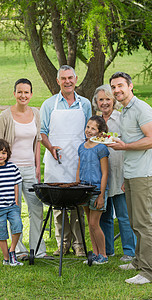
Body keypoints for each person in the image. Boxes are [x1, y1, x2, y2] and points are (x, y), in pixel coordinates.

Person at [0, 78, 49, 260]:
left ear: (31, 94)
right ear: (14, 94)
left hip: (29, 169)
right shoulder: (5, 115)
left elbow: (37, 142)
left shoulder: (35, 113)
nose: (23, 95)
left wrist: (37, 167)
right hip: (9, 171)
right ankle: (18, 250)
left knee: (36, 209)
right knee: (15, 210)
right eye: (19, 92)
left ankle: (38, 250)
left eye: (26, 92)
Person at [108, 72, 152, 285]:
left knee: (143, 223)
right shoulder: (125, 110)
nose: (116, 90)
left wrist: (125, 146)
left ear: (131, 86)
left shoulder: (141, 108)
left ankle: (148, 273)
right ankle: (138, 261)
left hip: (143, 174)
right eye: (113, 87)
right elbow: (132, 138)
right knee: (134, 221)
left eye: (120, 85)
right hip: (131, 173)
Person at [40, 65, 92, 256]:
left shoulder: (85, 104)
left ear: (75, 79)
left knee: (78, 202)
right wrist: (50, 147)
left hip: (78, 160)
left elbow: (90, 132)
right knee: (58, 203)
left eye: (70, 78)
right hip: (56, 159)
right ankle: (63, 243)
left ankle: (79, 244)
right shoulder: (48, 104)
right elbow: (42, 132)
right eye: (64, 78)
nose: (67, 81)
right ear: (58, 81)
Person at [92, 84, 136, 261]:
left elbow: (128, 145)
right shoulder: (94, 122)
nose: (104, 103)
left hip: (119, 173)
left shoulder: (121, 118)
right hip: (101, 176)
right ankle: (107, 250)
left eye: (108, 99)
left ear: (113, 101)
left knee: (124, 216)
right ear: (96, 102)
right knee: (105, 216)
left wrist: (128, 176)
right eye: (101, 99)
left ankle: (129, 251)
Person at [76, 116, 109, 264]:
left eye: (93, 128)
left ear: (100, 132)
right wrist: (77, 186)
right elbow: (79, 168)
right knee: (90, 223)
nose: (89, 130)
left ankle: (104, 255)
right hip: (84, 189)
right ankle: (95, 254)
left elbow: (105, 173)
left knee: (95, 223)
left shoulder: (101, 148)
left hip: (97, 190)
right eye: (88, 127)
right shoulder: (82, 147)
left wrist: (101, 195)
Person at [0, 139, 23, 266]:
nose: (0, 156)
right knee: (1, 233)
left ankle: (12, 251)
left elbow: (16, 185)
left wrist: (16, 202)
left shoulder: (13, 167)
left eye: (3, 153)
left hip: (12, 206)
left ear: (8, 154)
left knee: (17, 226)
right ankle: (7, 259)